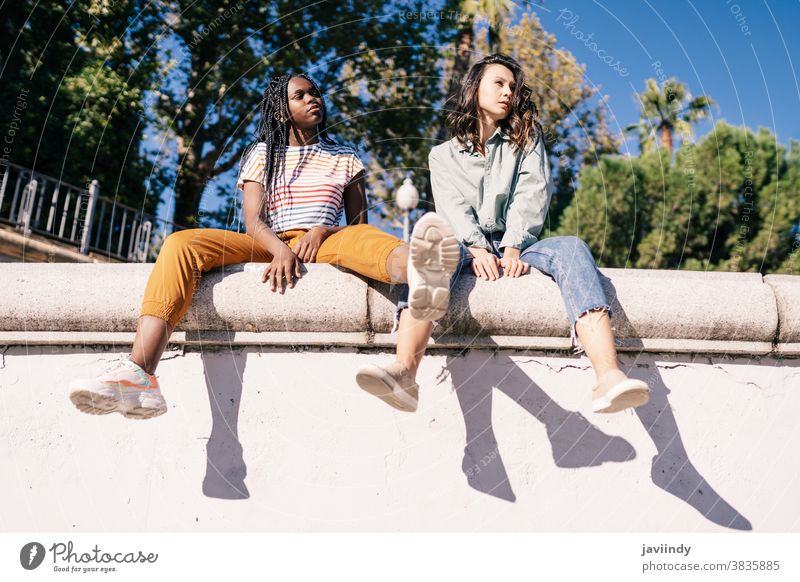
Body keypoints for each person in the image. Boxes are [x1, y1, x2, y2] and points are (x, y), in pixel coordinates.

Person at [68, 72, 458, 419]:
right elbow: (253, 221)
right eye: (301, 95)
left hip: (326, 241)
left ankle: (422, 267)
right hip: (269, 241)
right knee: (180, 244)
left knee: (374, 242)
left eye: (316, 92)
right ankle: (140, 373)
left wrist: (322, 231)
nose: (313, 98)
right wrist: (279, 249)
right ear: (280, 112)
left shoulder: (344, 157)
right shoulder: (260, 154)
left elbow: (358, 224)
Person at [362, 54, 650, 414]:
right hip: (465, 246)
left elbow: (533, 193)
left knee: (573, 248)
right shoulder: (441, 156)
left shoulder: (526, 141)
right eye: (498, 83)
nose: (508, 92)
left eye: (512, 86)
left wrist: (512, 246)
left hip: (520, 246)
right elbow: (452, 208)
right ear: (474, 88)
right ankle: (405, 372)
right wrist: (476, 247)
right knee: (433, 249)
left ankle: (608, 377)